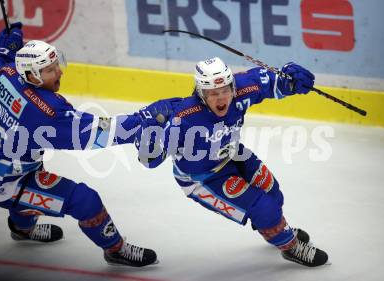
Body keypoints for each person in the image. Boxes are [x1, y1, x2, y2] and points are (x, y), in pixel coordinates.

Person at [0, 22, 163, 267]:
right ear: (31, 75)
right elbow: (92, 134)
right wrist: (140, 122)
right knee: (85, 200)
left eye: (56, 65)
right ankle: (115, 249)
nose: (59, 72)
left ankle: (21, 228)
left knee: (33, 181)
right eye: (50, 70)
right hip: (6, 180)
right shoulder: (44, 112)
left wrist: (2, 52)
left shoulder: (5, 74)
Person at [136, 57, 329, 267]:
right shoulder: (184, 117)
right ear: (201, 93)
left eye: (225, 91)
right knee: (264, 208)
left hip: (233, 154)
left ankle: (275, 228)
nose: (221, 99)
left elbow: (270, 81)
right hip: (202, 179)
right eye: (213, 93)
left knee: (273, 192)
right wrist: (148, 145)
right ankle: (289, 245)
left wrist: (289, 77)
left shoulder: (241, 89)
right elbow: (150, 158)